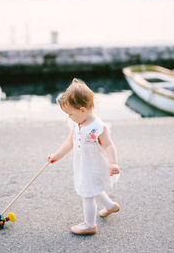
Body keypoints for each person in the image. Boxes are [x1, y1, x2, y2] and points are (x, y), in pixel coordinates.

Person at [47, 78, 120, 235]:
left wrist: (113, 163)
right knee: (93, 189)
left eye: (70, 114)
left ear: (82, 110)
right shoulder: (77, 123)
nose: (69, 117)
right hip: (83, 165)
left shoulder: (97, 127)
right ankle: (110, 206)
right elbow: (69, 142)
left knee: (87, 194)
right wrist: (56, 155)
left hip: (94, 167)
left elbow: (109, 145)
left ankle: (89, 225)